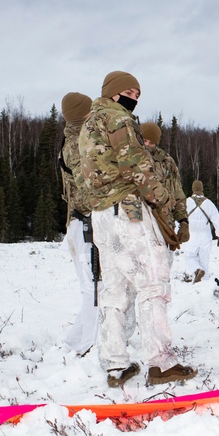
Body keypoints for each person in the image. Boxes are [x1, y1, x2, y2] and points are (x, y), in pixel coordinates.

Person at [79, 70, 197, 387]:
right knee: (153, 284)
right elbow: (136, 164)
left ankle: (116, 365)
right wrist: (160, 201)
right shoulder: (118, 119)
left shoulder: (88, 126)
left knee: (114, 292)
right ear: (114, 92)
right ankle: (161, 363)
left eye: (138, 93)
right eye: (129, 91)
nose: (134, 97)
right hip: (127, 211)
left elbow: (82, 176)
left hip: (101, 215)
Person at [58, 92, 100, 356]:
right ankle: (88, 345)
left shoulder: (75, 138)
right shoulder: (77, 145)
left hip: (81, 225)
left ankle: (75, 340)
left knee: (93, 288)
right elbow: (86, 190)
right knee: (95, 289)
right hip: (85, 225)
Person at [139, 121, 189, 259]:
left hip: (163, 223)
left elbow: (177, 192)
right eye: (144, 141)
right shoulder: (129, 157)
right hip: (137, 222)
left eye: (152, 142)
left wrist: (183, 221)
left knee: (163, 268)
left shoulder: (166, 161)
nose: (147, 145)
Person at [183, 180, 219, 283]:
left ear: (192, 189)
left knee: (189, 257)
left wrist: (177, 235)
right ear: (202, 189)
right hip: (205, 236)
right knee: (204, 261)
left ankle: (197, 270)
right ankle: (204, 285)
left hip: (191, 235)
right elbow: (217, 220)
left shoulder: (186, 202)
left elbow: (179, 219)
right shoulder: (209, 203)